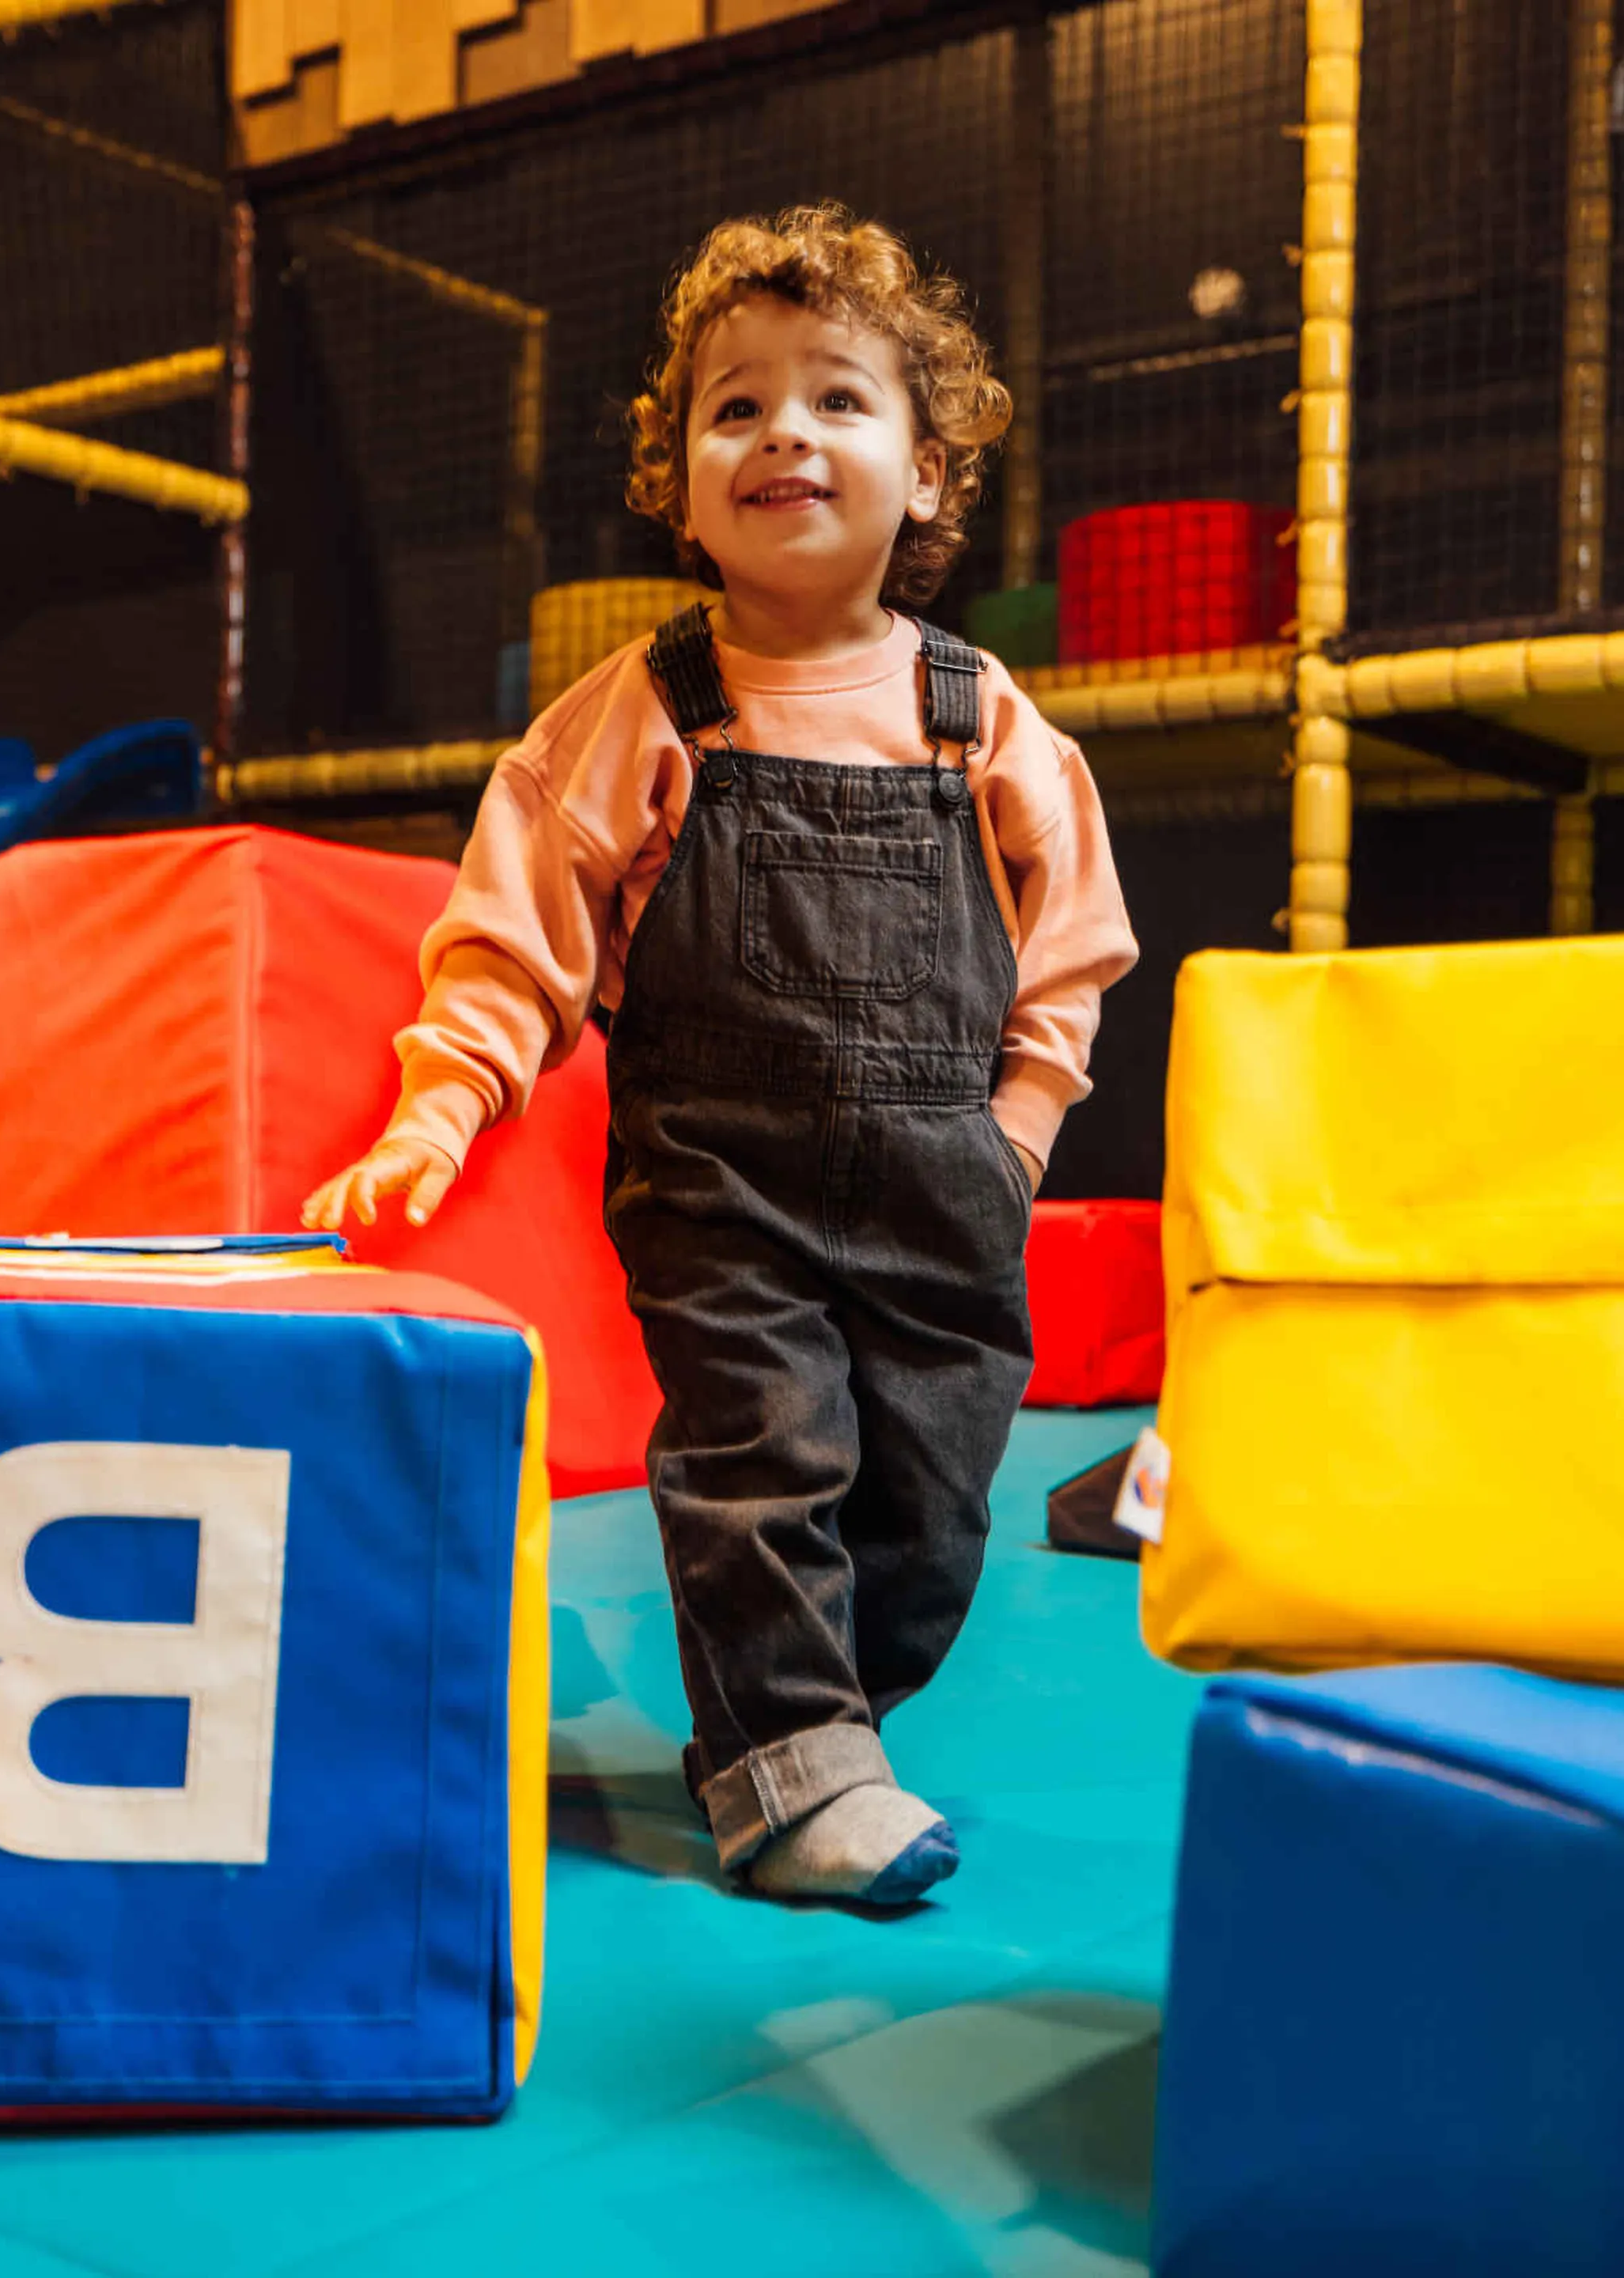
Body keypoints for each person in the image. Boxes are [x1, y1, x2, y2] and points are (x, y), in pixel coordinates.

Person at [304, 205, 1137, 1905]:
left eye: (840, 400)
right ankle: (793, 1767)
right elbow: (514, 927)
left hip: (943, 1183)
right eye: (735, 407)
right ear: (680, 486)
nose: (784, 435)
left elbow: (1075, 940)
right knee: (762, 1451)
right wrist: (440, 1101)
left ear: (924, 478)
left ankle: (808, 1726)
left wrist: (1022, 1132)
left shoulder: (979, 719)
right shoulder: (645, 713)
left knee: (929, 1508)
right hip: (720, 1178)